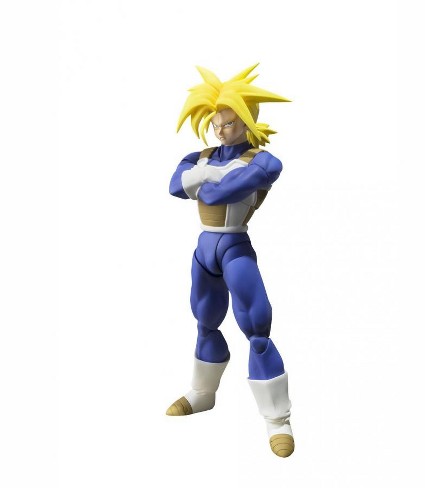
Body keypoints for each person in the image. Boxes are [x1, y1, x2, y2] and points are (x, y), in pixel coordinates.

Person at [166, 64, 294, 457]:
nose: (221, 130)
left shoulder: (263, 160)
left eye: (230, 123)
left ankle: (278, 420)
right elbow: (175, 187)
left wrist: (204, 179)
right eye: (216, 123)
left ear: (247, 120)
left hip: (235, 245)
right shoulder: (200, 154)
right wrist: (211, 176)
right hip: (205, 248)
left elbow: (214, 195)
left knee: (257, 327)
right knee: (204, 319)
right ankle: (203, 393)